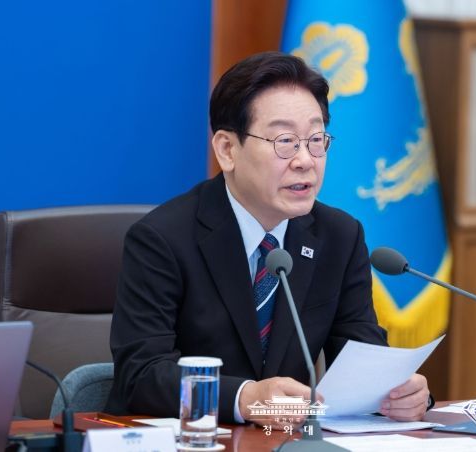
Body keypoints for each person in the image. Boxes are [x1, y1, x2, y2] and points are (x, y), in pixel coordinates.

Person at [105, 51, 432, 426]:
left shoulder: (339, 236)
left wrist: (399, 393)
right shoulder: (162, 239)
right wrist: (244, 398)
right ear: (227, 149)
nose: (305, 160)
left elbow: (361, 358)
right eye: (285, 141)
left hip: (286, 441)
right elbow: (141, 374)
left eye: (316, 139)